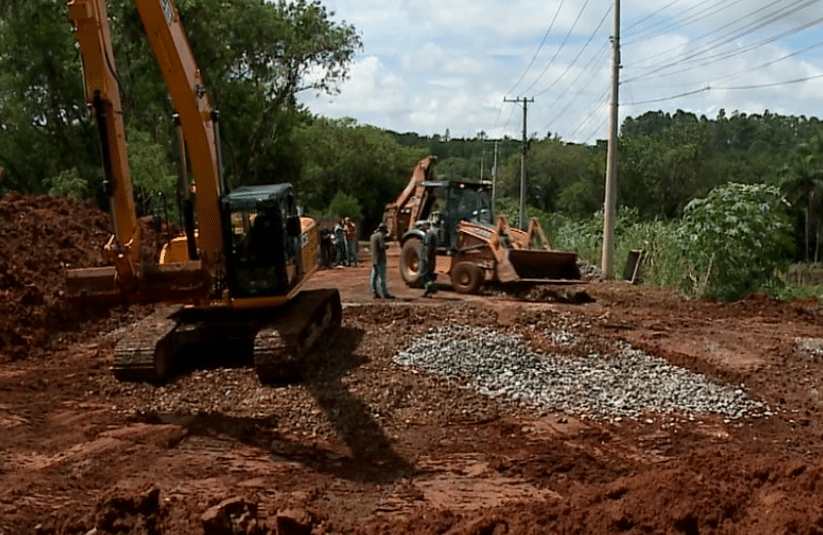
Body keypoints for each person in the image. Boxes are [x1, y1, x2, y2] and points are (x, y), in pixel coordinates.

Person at [369, 222, 394, 299]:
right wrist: (387, 246)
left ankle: (375, 292)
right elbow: (382, 246)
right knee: (382, 278)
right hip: (380, 259)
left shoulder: (372, 236)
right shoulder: (380, 236)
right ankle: (385, 293)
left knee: (373, 277)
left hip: (374, 259)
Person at [418, 220, 438, 297]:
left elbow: (427, 246)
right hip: (432, 257)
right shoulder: (433, 234)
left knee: (423, 275)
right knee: (429, 274)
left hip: (427, 258)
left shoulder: (428, 235)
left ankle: (432, 288)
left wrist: (426, 257)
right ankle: (428, 293)